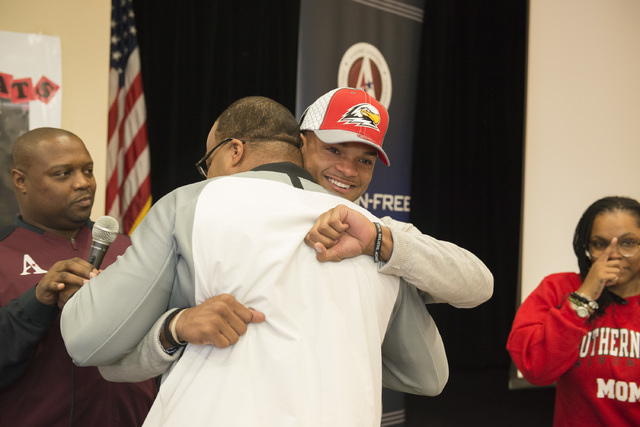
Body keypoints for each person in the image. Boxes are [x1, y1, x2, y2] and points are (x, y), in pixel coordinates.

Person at [60, 96, 448, 425]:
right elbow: (428, 375)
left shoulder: (192, 204)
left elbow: (87, 341)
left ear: (233, 151)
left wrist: (172, 327)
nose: (206, 175)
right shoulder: (375, 234)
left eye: (206, 163)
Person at [0, 128, 157, 426]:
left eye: (88, 170)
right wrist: (37, 301)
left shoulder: (131, 249)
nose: (83, 183)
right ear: (21, 180)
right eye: (63, 174)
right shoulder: (3, 252)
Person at [507, 196, 640, 426]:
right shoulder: (558, 289)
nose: (614, 254)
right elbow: (536, 370)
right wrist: (583, 298)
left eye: (628, 243)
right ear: (586, 248)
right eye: (600, 244)